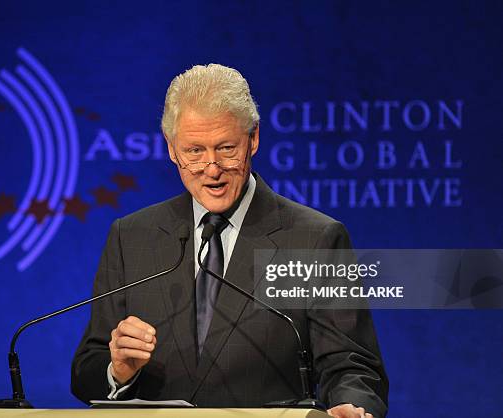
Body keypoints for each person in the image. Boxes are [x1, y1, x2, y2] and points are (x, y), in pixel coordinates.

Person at [71, 64, 388, 418]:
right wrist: (119, 372)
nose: (211, 167)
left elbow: (350, 365)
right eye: (194, 151)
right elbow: (88, 370)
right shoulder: (131, 237)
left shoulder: (315, 239)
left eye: (225, 147)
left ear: (253, 139)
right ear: (172, 149)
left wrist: (352, 406)